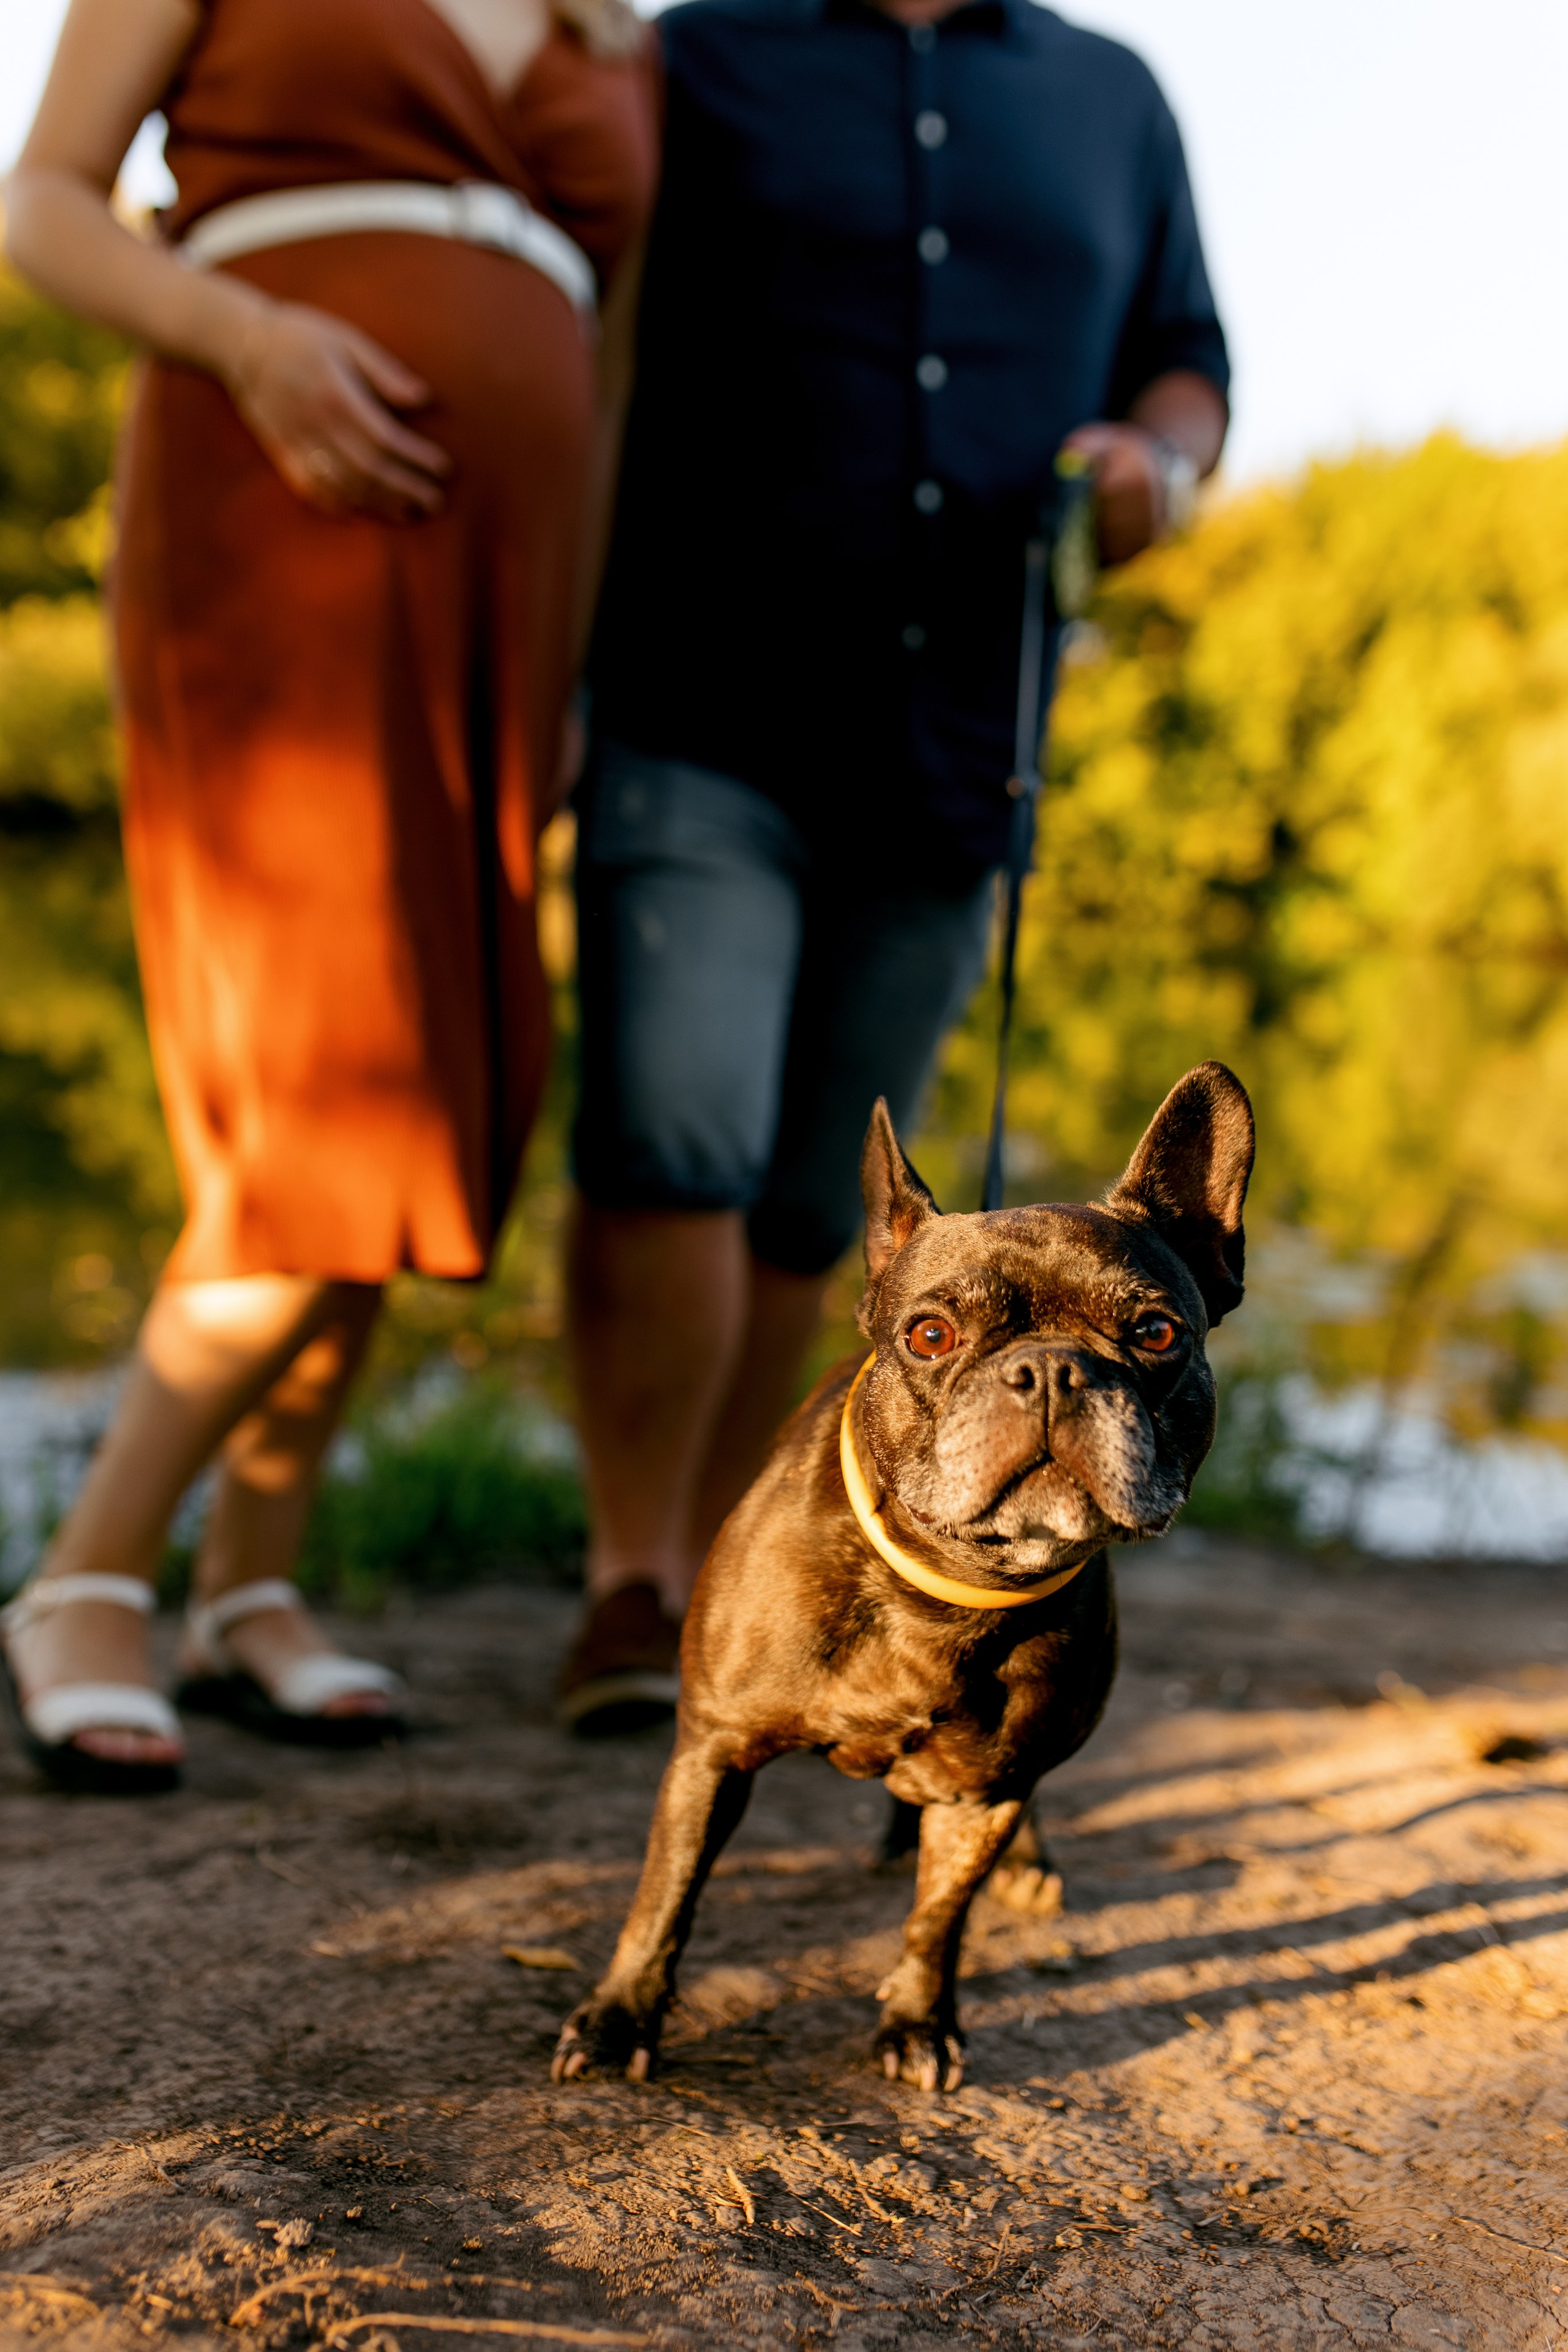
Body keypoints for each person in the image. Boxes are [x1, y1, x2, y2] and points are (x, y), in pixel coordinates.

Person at [0, 0, 656, 1792]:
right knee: (330, 1076)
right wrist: (252, 338)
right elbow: (43, 202)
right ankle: (85, 1577)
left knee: (441, 1079)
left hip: (498, 606)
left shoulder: (618, 30)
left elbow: (600, 383)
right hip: (271, 527)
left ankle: (250, 1580)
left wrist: (568, 664)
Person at [554, 0, 1229, 1730]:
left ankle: (737, 1548)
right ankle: (630, 1582)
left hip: (956, 739)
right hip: (698, 694)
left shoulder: (1111, 95)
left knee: (819, 1197)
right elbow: (587, 328)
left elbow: (1184, 365)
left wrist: (1155, 461)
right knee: (670, 1144)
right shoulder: (693, 58)